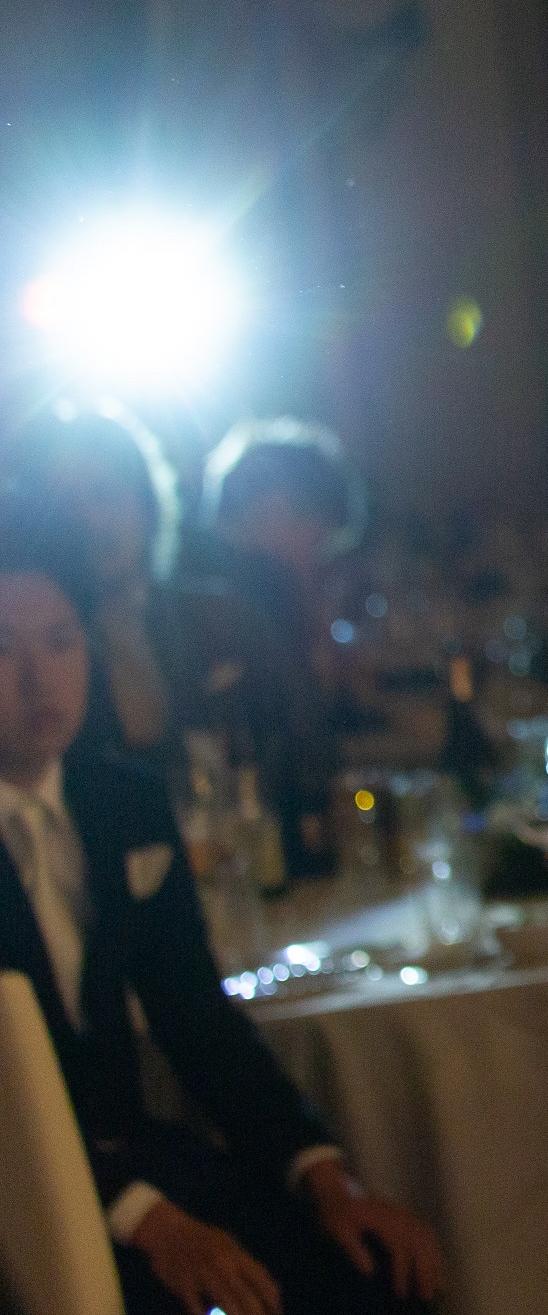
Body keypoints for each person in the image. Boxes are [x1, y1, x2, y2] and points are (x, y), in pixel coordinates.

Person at [0, 500, 445, 1315]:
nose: (40, 679)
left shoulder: (121, 801)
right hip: (21, 1194)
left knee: (372, 1270)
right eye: (3, 649)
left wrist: (321, 1172)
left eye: (61, 642)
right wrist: (150, 1222)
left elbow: (195, 1015)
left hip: (141, 1158)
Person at [185, 421, 368, 881]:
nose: (320, 547)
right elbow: (303, 749)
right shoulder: (235, 606)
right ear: (270, 503)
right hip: (262, 857)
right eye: (313, 520)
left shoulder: (253, 592)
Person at [3, 400, 195, 759]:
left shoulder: (212, 618)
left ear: (146, 503)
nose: (89, 518)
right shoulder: (34, 643)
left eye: (105, 494)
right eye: (65, 502)